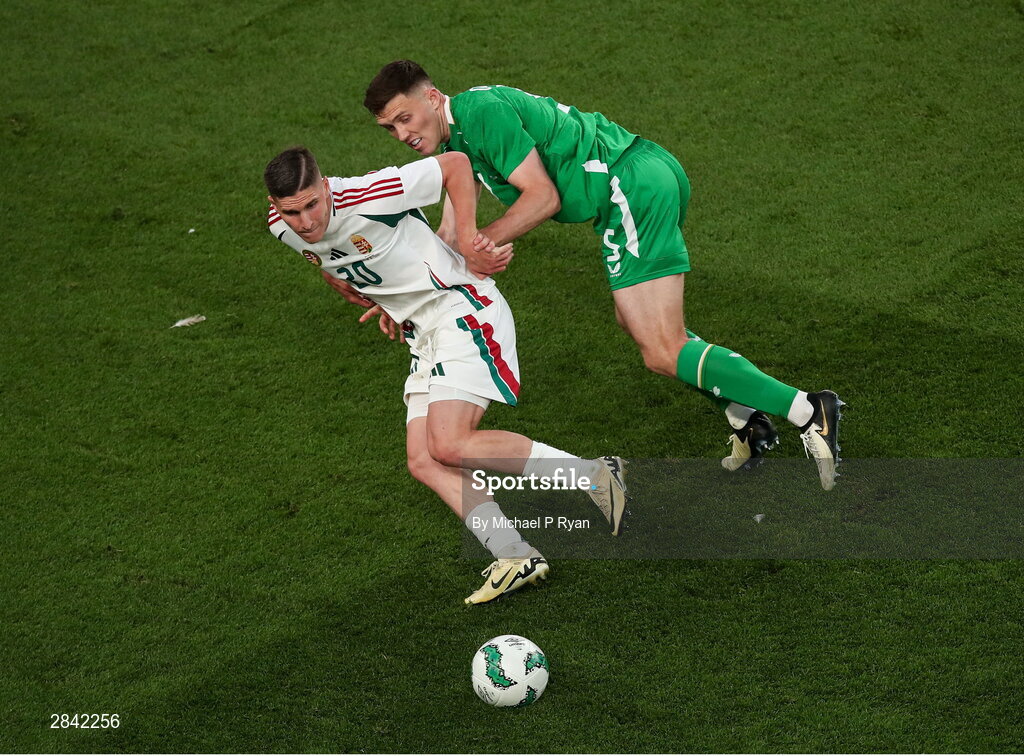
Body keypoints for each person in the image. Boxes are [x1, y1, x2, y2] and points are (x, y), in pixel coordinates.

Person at [354, 61, 844, 490]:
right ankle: (746, 418)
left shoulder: (481, 114)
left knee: (661, 348)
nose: (402, 134)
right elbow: (447, 233)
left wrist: (484, 244)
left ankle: (808, 410)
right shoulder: (457, 139)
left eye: (405, 118)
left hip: (628, 187)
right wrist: (404, 297)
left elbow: (541, 197)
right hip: (629, 188)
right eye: (389, 128)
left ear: (433, 98)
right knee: (636, 324)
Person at [263, 146, 627, 605]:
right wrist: (377, 294)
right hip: (424, 333)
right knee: (424, 460)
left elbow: (456, 164)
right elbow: (327, 260)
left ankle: (596, 476)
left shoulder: (367, 194)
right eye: (291, 211)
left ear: (324, 185)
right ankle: (514, 553)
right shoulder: (285, 227)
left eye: (312, 204)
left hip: (462, 309)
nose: (306, 222)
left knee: (449, 443)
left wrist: (470, 242)